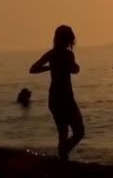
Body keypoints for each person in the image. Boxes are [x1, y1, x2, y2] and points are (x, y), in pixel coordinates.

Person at [30, 25, 84, 161]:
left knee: (73, 132)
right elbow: (33, 69)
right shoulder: (56, 54)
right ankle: (63, 157)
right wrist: (51, 67)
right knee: (71, 132)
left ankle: (62, 154)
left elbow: (73, 69)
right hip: (59, 98)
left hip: (63, 97)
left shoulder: (61, 54)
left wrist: (71, 67)